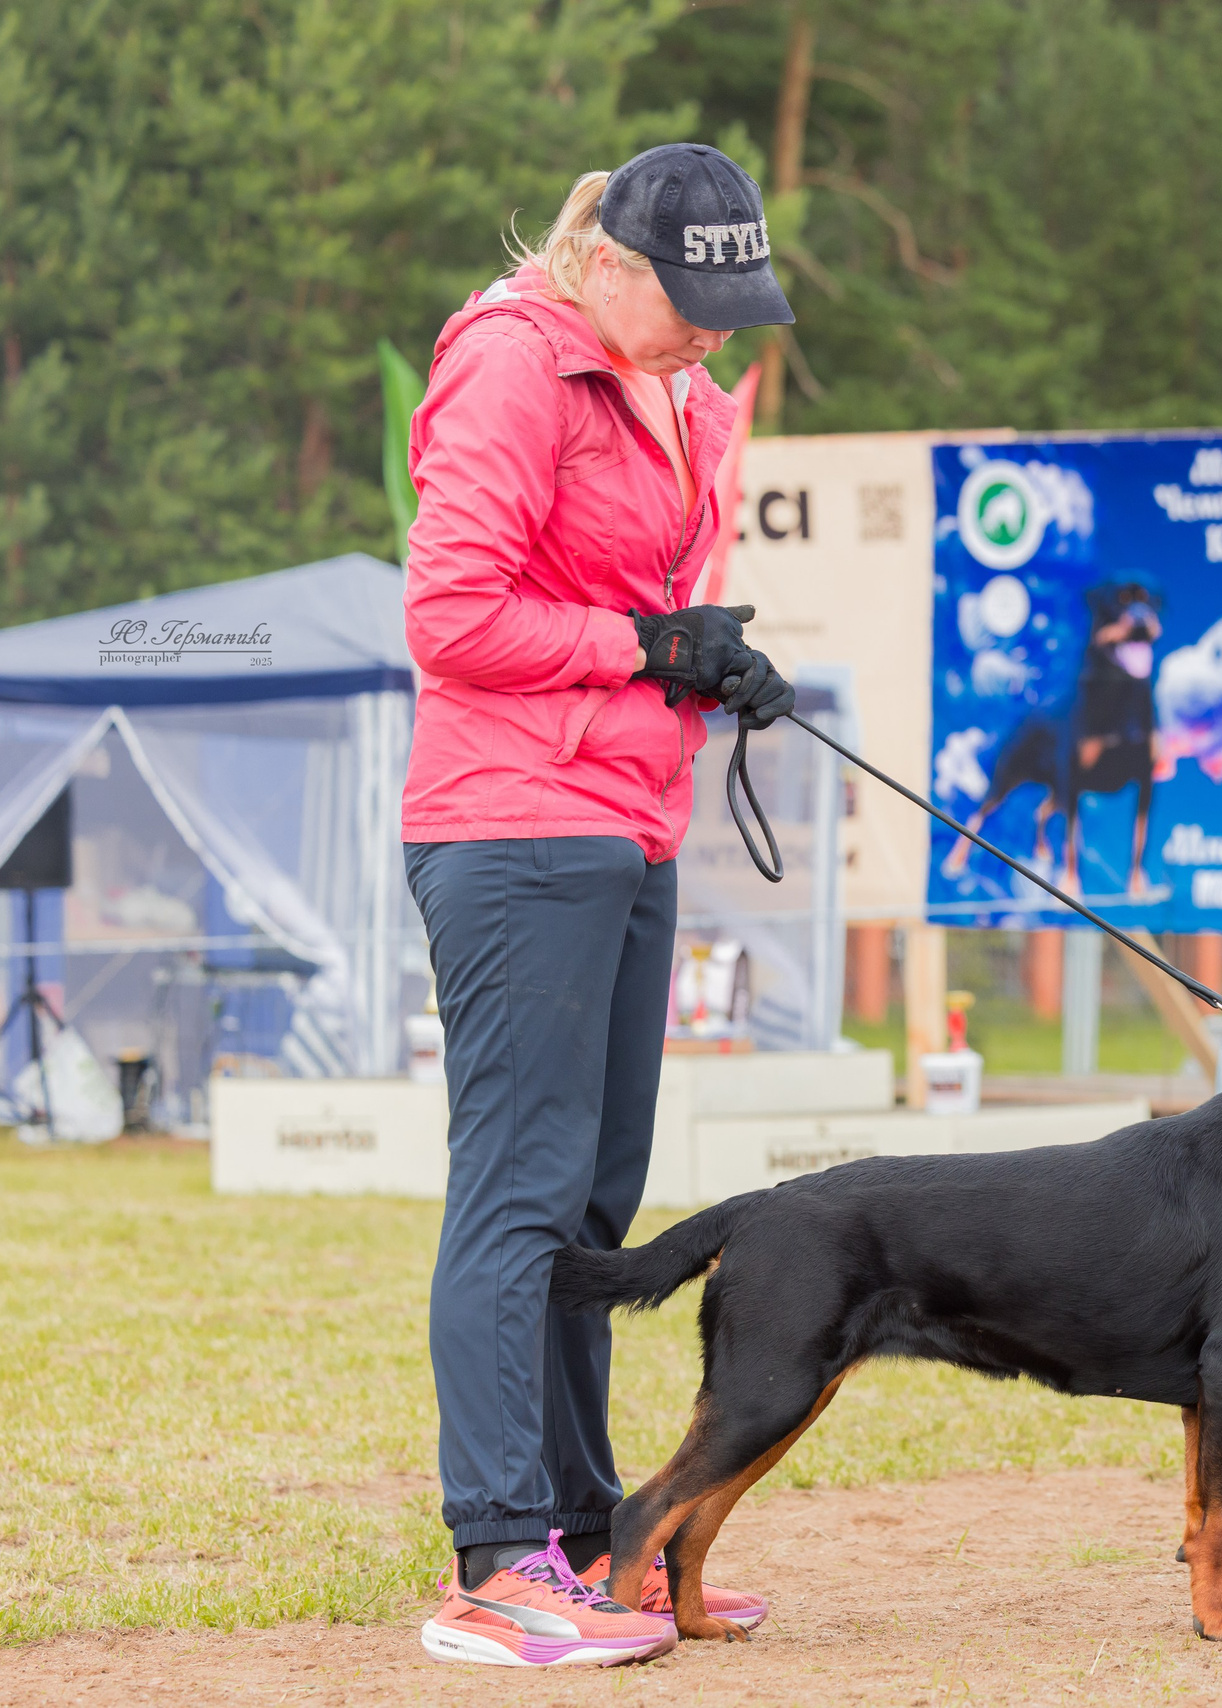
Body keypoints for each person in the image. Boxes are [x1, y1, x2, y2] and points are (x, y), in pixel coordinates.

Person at [404, 144, 799, 1668]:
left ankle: (586, 1540)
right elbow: (451, 616)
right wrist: (644, 647)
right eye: (694, 301)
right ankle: (497, 1559)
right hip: (509, 819)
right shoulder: (512, 364)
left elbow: (639, 612)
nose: (717, 331)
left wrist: (708, 656)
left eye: (735, 303)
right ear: (612, 266)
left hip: (626, 819)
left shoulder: (686, 394)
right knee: (516, 1189)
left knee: (592, 1200)